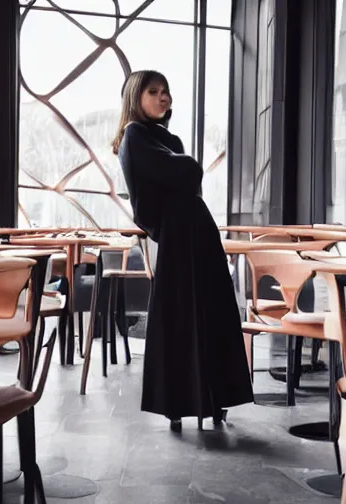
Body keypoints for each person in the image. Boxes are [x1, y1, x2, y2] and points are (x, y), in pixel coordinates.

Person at [111, 70, 253, 432]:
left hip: (195, 233)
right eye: (154, 92)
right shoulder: (135, 135)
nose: (163, 98)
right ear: (135, 98)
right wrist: (188, 168)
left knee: (210, 312)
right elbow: (185, 174)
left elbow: (184, 175)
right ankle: (183, 400)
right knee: (183, 314)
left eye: (166, 92)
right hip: (179, 236)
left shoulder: (163, 138)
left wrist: (186, 170)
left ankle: (213, 397)